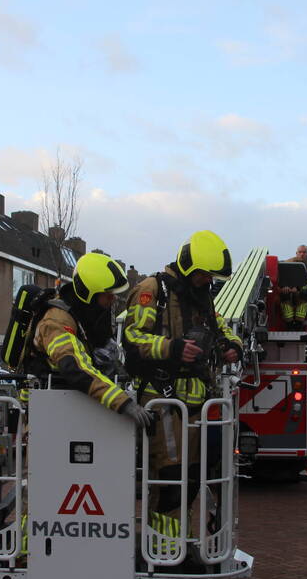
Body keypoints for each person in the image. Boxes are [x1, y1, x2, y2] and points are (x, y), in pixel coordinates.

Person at [122, 230, 243, 548]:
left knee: (190, 479)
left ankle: (179, 544)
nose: (207, 281)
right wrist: (172, 348)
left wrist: (232, 346)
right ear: (189, 267)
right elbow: (132, 338)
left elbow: (223, 329)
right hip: (163, 401)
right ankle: (163, 548)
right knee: (170, 479)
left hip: (197, 403)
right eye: (203, 274)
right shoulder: (153, 290)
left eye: (210, 276)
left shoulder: (200, 297)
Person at [28, 253, 154, 429]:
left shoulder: (85, 316)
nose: (113, 299)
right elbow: (74, 366)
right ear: (88, 294)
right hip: (49, 417)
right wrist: (124, 403)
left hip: (72, 411)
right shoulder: (56, 321)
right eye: (108, 295)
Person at [280, 244, 307, 329]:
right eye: (300, 252)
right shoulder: (287, 263)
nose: (302, 254)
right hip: (287, 290)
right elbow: (281, 276)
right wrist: (284, 287)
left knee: (305, 295)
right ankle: (289, 322)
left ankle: (299, 322)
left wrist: (300, 289)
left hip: (302, 291)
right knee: (284, 295)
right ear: (296, 253)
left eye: (304, 252)